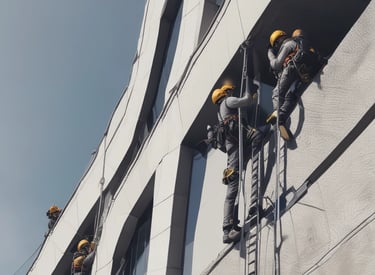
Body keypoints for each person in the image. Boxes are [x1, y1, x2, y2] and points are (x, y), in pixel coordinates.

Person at [210, 83, 268, 243]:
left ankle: (227, 228)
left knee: (233, 184)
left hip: (232, 145)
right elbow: (247, 100)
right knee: (258, 135)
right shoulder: (228, 102)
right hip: (238, 134)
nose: (231, 92)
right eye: (229, 91)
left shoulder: (219, 114)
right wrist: (252, 88)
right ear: (224, 93)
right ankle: (254, 204)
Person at [266, 29, 323, 141]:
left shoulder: (287, 44)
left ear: (277, 42)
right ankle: (282, 117)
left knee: (276, 92)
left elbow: (276, 65)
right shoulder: (300, 43)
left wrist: (270, 54)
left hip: (292, 68)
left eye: (276, 44)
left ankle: (277, 113)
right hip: (304, 72)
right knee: (291, 95)